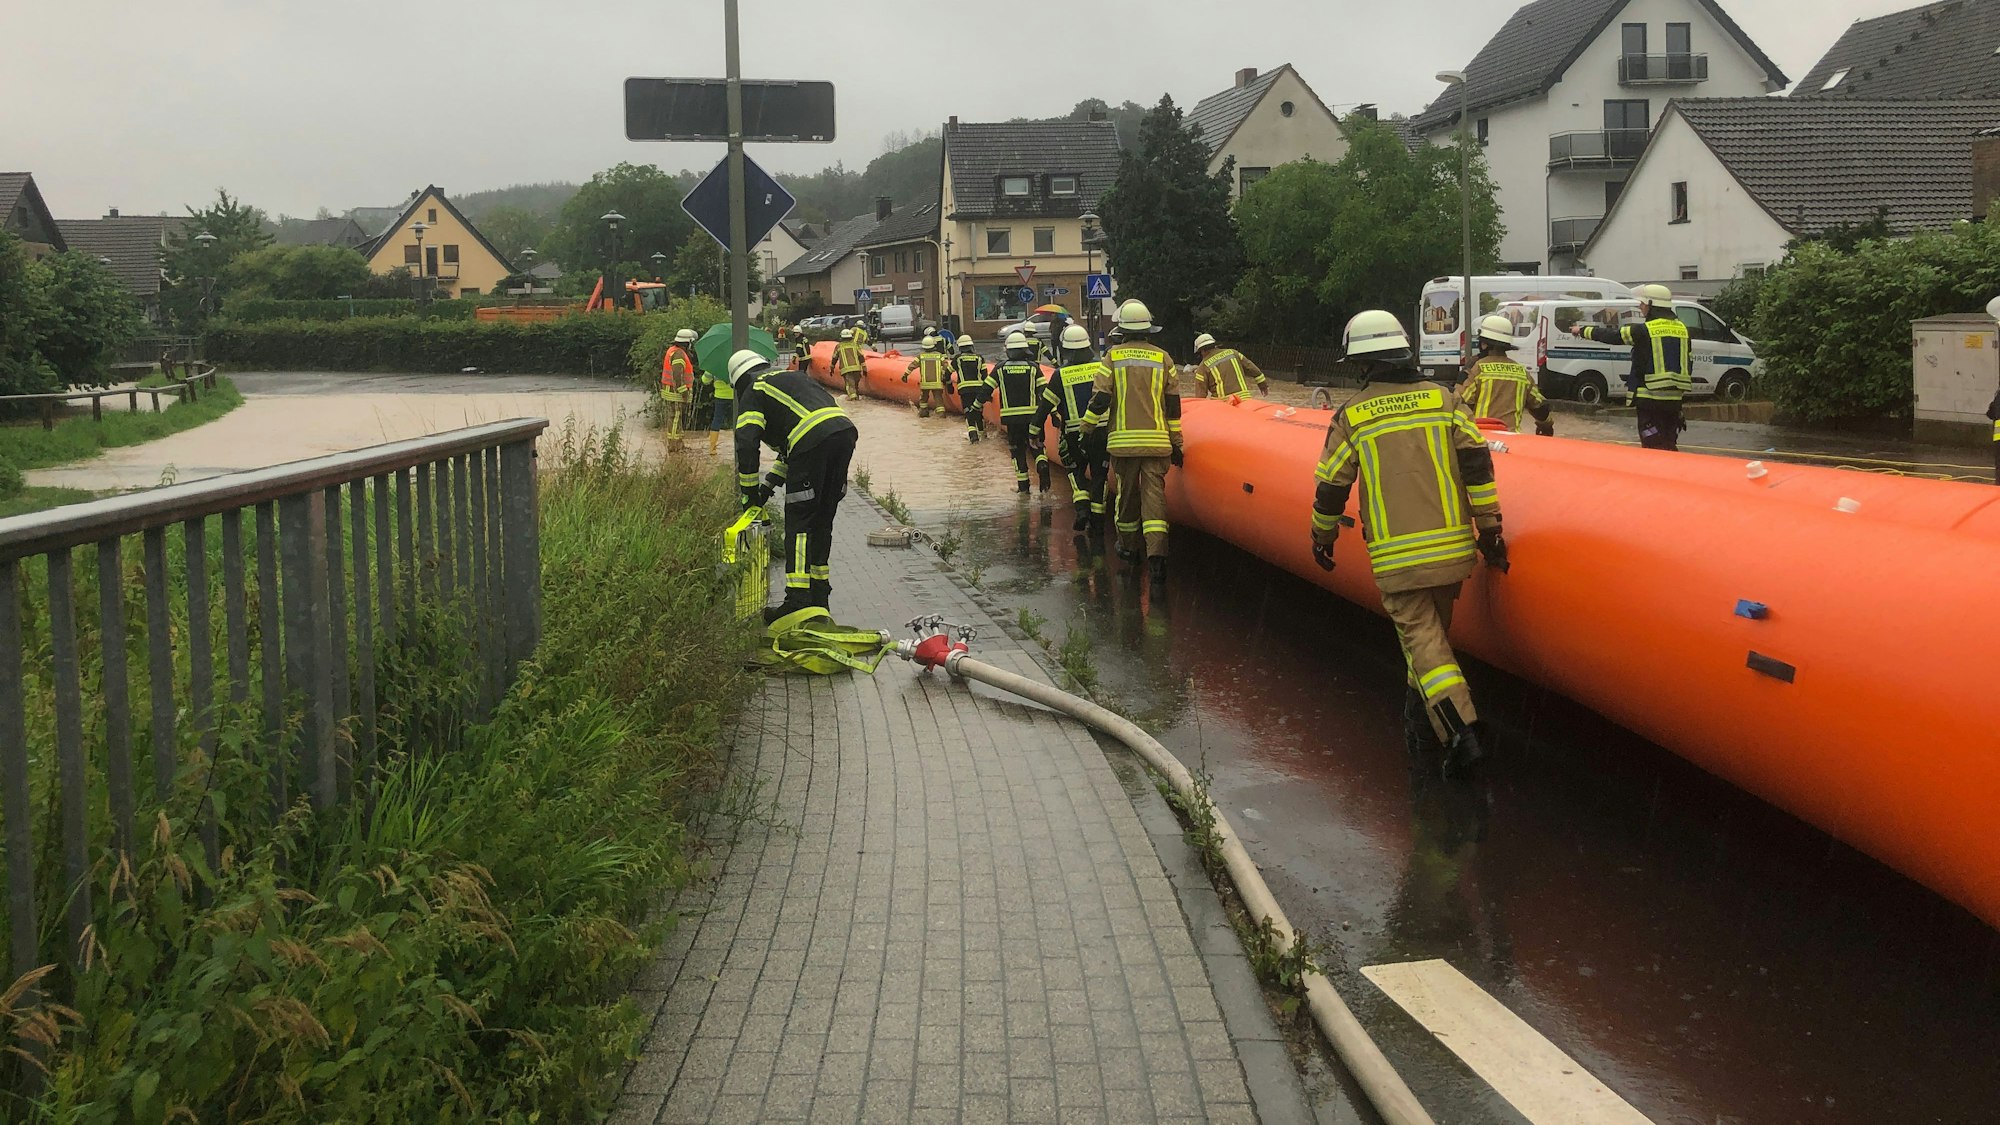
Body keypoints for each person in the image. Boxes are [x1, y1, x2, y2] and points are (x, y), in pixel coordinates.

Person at [1310, 310, 1507, 777]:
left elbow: (1330, 489)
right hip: (1454, 552)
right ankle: (1421, 731)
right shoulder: (1445, 400)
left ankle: (1463, 731)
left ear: (1362, 364)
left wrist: (1322, 535)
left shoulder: (1353, 415)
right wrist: (1491, 530)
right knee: (1427, 643)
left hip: (1400, 559)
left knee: (1423, 644)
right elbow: (1478, 467)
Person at [731, 348, 859, 627]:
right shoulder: (791, 378)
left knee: (800, 521)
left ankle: (797, 600)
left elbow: (746, 443)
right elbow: (793, 451)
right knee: (822, 520)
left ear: (738, 380)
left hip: (813, 442)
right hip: (843, 435)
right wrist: (767, 487)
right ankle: (819, 596)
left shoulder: (754, 388)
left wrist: (749, 496)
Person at [1082, 299, 1182, 586]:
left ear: (1122, 330)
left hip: (1124, 445)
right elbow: (1173, 407)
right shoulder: (1164, 358)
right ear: (1149, 331)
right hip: (1157, 444)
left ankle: (1129, 548)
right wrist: (1177, 443)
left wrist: (1086, 427)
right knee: (1155, 501)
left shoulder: (1112, 357)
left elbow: (1100, 398)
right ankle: (1158, 559)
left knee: (1126, 498)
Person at [1567, 282, 1688, 450]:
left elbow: (1612, 336)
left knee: (1652, 446)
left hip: (1649, 400)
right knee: (1669, 444)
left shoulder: (1645, 330)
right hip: (1674, 402)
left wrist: (1582, 331)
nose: (1641, 308)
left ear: (1651, 305)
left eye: (1643, 304)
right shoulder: (1682, 329)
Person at [1039, 323, 1109, 531]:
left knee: (1075, 471)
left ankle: (1081, 509)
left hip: (1072, 434)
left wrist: (1035, 429)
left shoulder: (1060, 374)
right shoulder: (1102, 368)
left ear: (1066, 349)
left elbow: (1046, 404)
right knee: (1099, 475)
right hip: (1102, 431)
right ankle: (1098, 520)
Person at [1461, 315, 1554, 435]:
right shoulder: (1521, 372)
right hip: (1512, 439)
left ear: (1484, 344)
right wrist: (1546, 425)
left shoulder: (1478, 368)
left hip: (1482, 437)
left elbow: (1464, 402)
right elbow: (1539, 406)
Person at [993, 331, 1045, 494]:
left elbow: (986, 388)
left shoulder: (1000, 368)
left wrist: (977, 404)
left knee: (1018, 451)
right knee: (1037, 446)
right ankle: (1041, 464)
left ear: (1008, 350)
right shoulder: (1034, 368)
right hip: (1032, 417)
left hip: (1012, 420)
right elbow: (1044, 392)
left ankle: (1023, 488)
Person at [1191, 333, 1269, 399]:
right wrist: (1263, 385)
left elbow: (1200, 397)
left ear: (1202, 351)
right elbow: (1254, 370)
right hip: (1244, 400)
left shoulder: (1202, 367)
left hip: (1223, 405)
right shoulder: (1234, 353)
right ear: (1214, 345)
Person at [660, 328, 699, 447]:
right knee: (676, 417)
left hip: (670, 390)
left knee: (675, 416)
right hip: (675, 392)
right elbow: (677, 375)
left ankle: (678, 443)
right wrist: (684, 392)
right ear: (687, 343)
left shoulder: (673, 350)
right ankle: (673, 445)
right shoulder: (678, 354)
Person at [947, 333, 989, 443]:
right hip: (979, 390)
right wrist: (987, 393)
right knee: (978, 412)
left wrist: (949, 386)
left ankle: (973, 436)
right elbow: (985, 376)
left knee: (968, 413)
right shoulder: (980, 359)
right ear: (971, 346)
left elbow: (947, 373)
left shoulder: (958, 359)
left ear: (960, 347)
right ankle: (983, 436)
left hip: (965, 391)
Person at [901, 331, 950, 418]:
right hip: (937, 383)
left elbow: (911, 366)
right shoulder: (939, 356)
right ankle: (941, 415)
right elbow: (946, 366)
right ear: (933, 345)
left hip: (925, 383)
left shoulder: (921, 356)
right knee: (939, 399)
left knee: (924, 399)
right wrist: (944, 376)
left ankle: (923, 413)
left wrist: (905, 375)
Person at [701, 346, 738, 457]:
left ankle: (712, 449)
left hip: (720, 396)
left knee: (717, 421)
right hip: (735, 397)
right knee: (737, 422)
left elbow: (705, 380)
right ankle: (739, 447)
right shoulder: (735, 363)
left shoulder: (714, 364)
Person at [834, 327, 866, 401]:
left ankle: (852, 400)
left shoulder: (839, 346)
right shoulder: (855, 345)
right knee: (855, 384)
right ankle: (856, 397)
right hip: (857, 368)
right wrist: (864, 368)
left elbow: (834, 358)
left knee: (849, 385)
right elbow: (861, 357)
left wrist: (832, 367)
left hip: (846, 369)